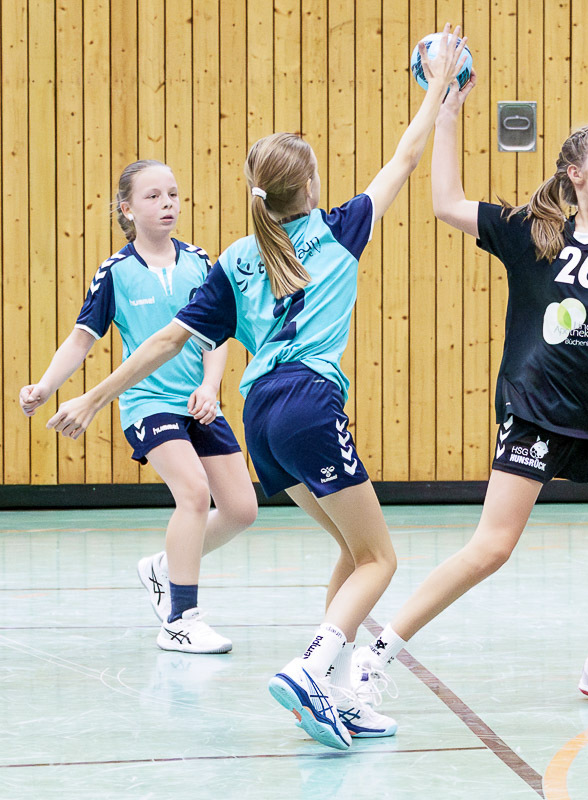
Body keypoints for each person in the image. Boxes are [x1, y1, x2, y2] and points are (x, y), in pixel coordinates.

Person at [46, 25, 471, 750]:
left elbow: (165, 341)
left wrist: (93, 396)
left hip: (262, 413)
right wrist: (438, 87)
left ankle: (335, 692)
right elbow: (405, 156)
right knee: (381, 558)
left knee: (351, 548)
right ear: (308, 186)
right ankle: (312, 669)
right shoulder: (339, 230)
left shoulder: (234, 259)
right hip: (309, 402)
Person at [357, 73, 588, 705]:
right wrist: (447, 115)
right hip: (533, 412)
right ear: (575, 174)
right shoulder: (533, 231)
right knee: (492, 548)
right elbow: (447, 202)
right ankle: (374, 654)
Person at [21, 160, 257, 654]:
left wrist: (211, 386)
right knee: (194, 493)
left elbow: (217, 335)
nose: (167, 203)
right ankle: (181, 619)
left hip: (199, 403)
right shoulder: (116, 273)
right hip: (148, 404)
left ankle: (163, 567)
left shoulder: (201, 263)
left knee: (241, 509)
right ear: (127, 209)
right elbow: (81, 338)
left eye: (172, 194)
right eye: (153, 196)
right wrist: (45, 385)